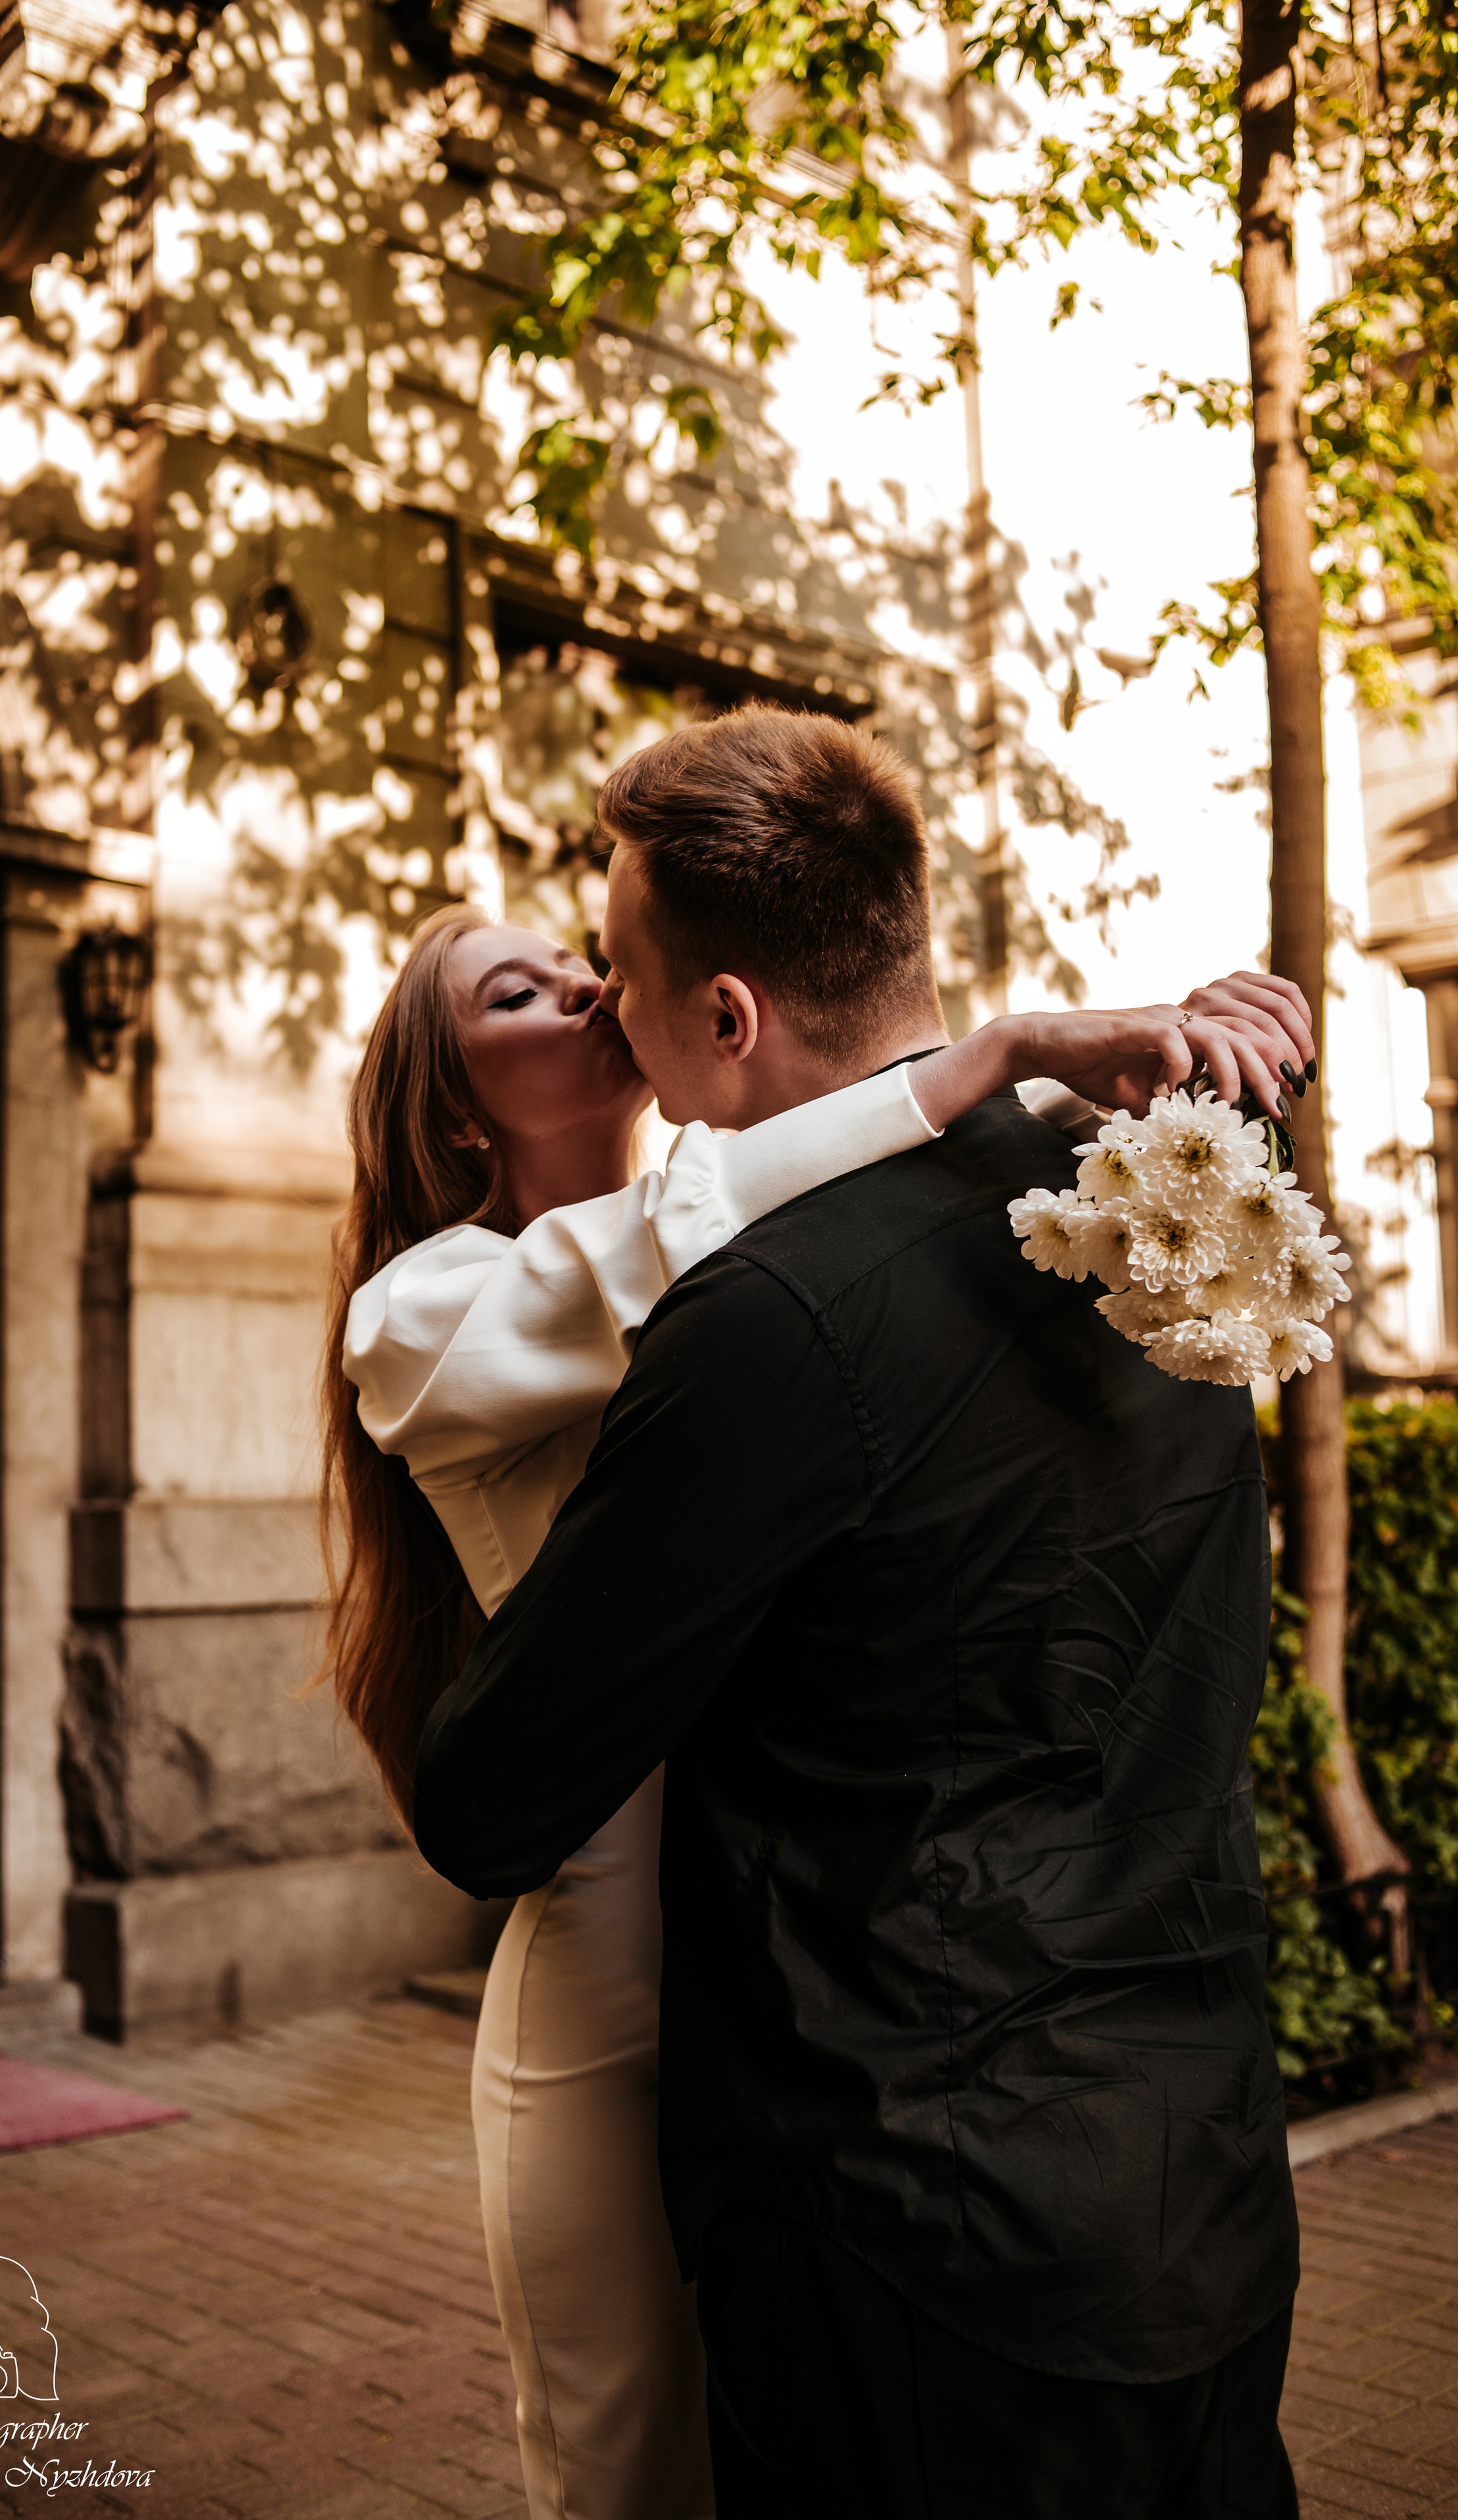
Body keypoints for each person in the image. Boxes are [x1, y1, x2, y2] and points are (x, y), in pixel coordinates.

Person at [327, 779, 1310, 2519]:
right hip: (618, 1969)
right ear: (456, 1115)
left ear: (713, 1014)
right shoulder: (426, 1314)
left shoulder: (819, 1241)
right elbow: (651, 1261)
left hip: (868, 2050)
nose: (578, 991)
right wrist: (989, 1050)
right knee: (631, 2472)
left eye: (587, 962)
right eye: (518, 993)